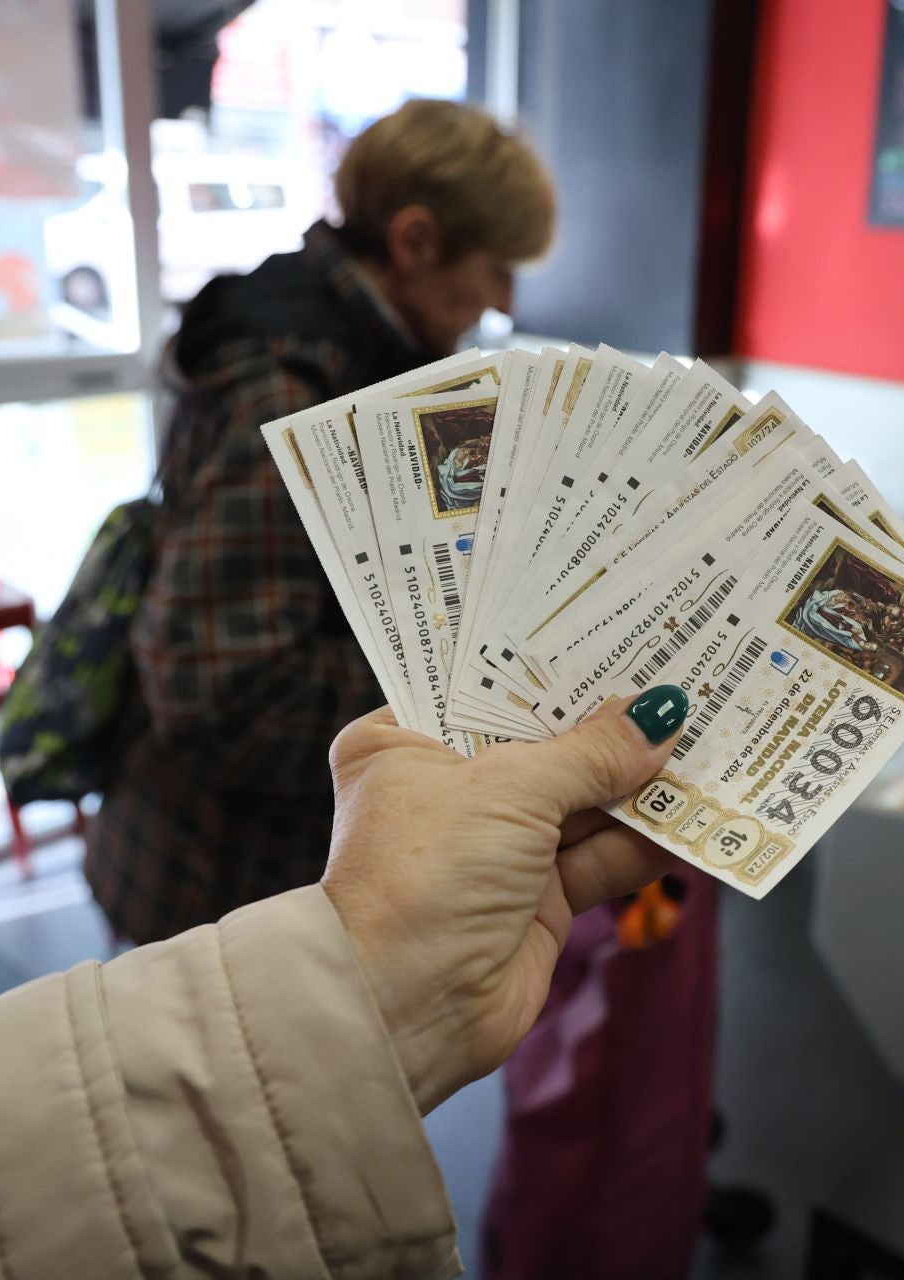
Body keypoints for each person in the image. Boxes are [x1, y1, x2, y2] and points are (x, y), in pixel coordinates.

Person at [0, 689, 694, 1277]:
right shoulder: (281, 368)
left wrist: (375, 982)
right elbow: (206, 674)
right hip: (209, 874)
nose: (489, 297)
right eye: (485, 285)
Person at [86, 98, 554, 945]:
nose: (500, 299)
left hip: (258, 867)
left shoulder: (355, 361)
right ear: (415, 240)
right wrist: (465, 698)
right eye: (498, 267)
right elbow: (217, 690)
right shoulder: (292, 395)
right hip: (221, 886)